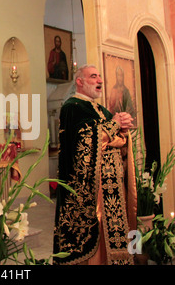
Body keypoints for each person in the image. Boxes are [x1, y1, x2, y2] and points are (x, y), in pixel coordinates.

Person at [53, 64, 137, 265]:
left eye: (100, 76)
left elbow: (112, 137)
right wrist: (115, 125)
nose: (100, 80)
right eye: (93, 76)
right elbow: (85, 143)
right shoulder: (71, 108)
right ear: (80, 82)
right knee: (95, 240)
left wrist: (123, 129)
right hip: (91, 194)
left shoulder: (101, 109)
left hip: (112, 192)